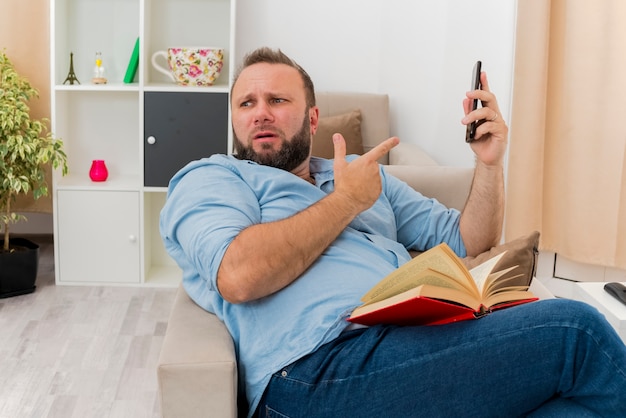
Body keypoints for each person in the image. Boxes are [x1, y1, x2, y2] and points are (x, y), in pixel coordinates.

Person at [160, 47, 626, 417]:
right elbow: (238, 275)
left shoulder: (366, 178)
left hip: (413, 344)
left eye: (277, 100)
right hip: (315, 372)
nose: (260, 113)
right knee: (574, 328)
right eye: (246, 103)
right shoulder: (214, 177)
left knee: (572, 408)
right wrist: (345, 202)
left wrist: (489, 164)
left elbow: (469, 240)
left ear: (313, 118)